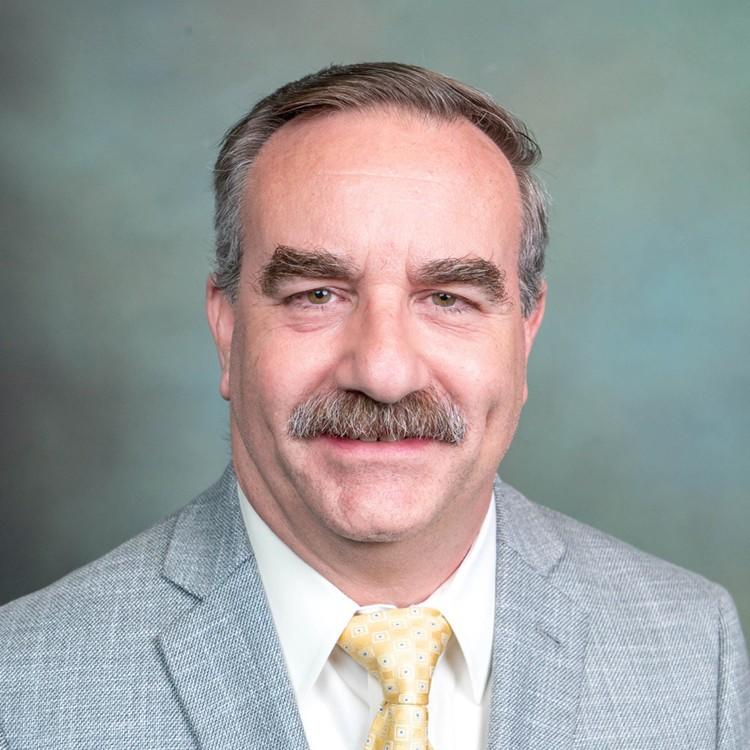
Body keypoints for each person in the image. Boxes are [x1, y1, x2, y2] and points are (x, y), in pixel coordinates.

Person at [0, 62, 747, 750]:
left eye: (448, 298)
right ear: (227, 328)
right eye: (317, 294)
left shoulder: (693, 650)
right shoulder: (25, 687)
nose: (384, 373)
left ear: (525, 334)